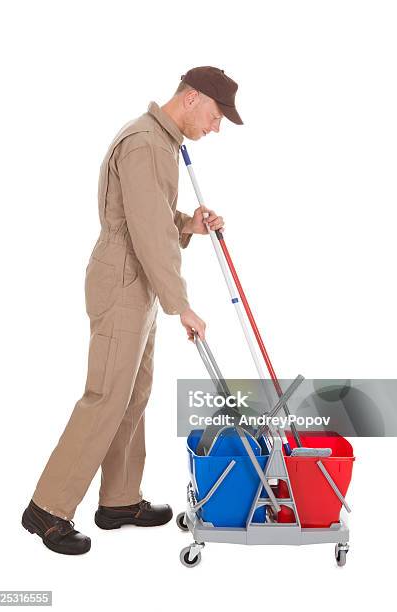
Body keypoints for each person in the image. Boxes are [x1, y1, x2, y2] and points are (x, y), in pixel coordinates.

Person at [21, 66, 243, 555]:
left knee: (134, 393)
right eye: (215, 114)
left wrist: (190, 224)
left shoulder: (160, 141)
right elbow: (147, 235)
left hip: (136, 279)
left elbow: (155, 217)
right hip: (125, 278)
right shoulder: (145, 143)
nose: (216, 127)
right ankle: (47, 508)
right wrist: (181, 305)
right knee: (106, 395)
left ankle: (119, 500)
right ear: (191, 98)